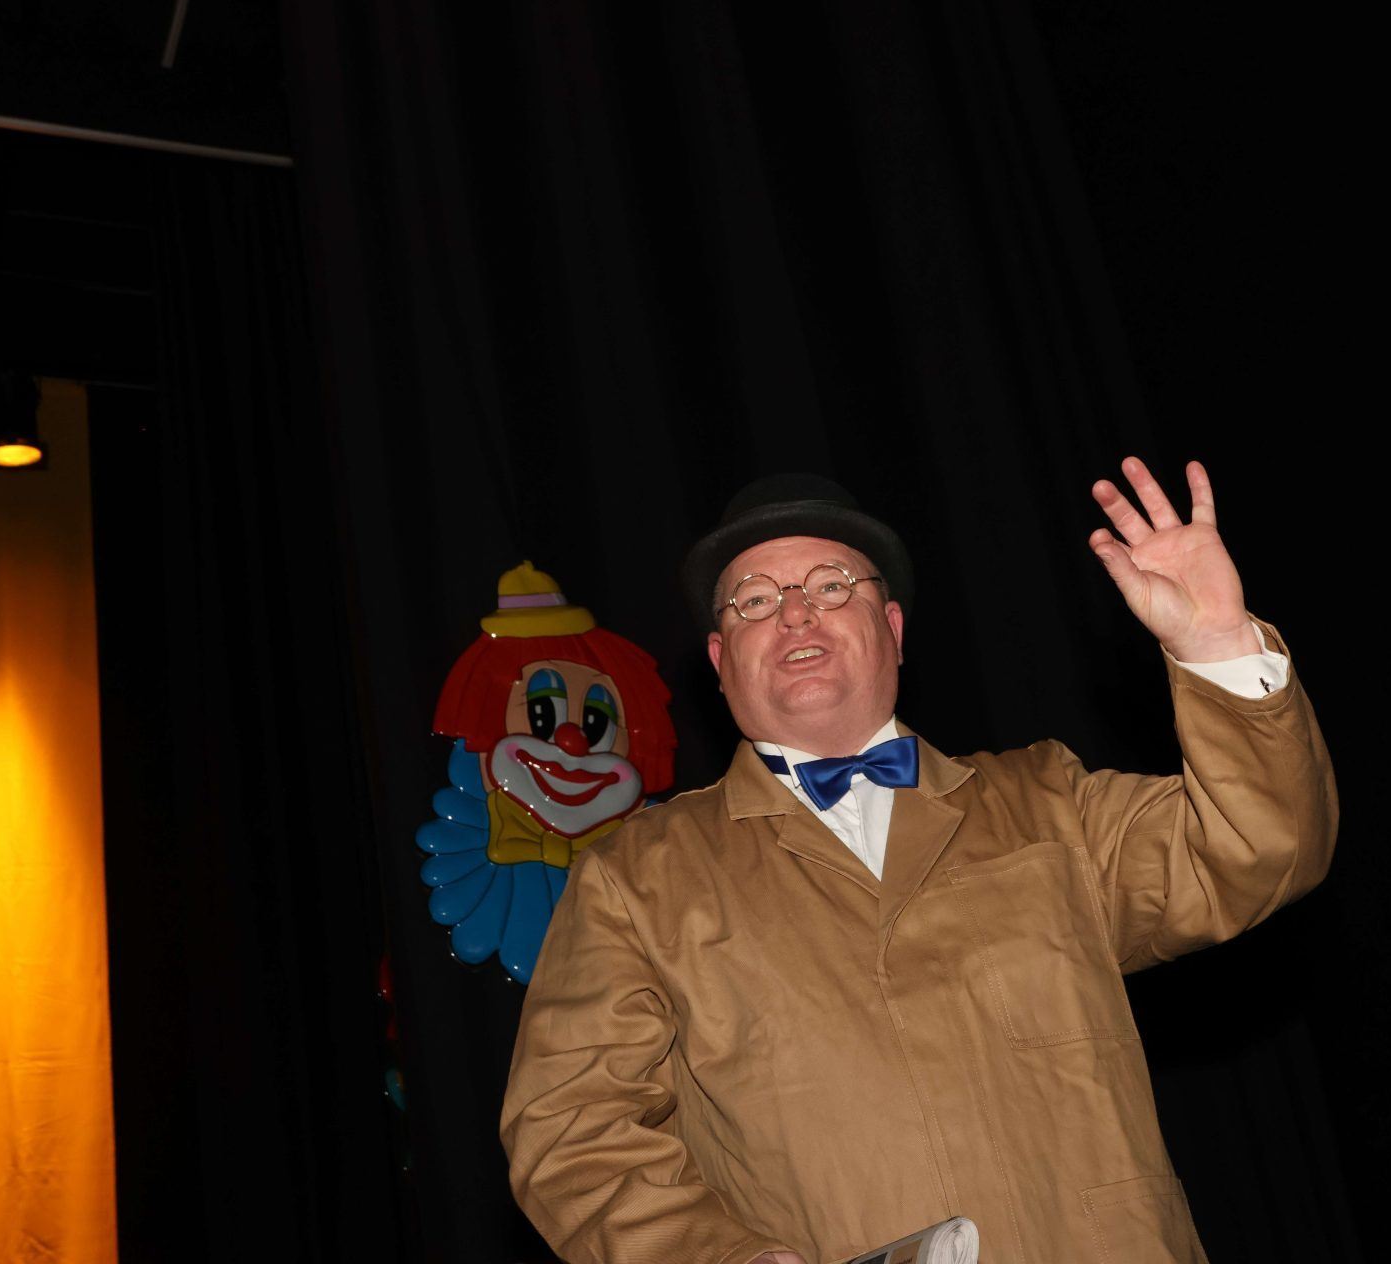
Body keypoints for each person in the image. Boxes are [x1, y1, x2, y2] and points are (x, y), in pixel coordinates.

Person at [500, 459, 1338, 1264]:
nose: (795, 614)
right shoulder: (635, 878)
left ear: (894, 631)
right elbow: (572, 1129)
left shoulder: (1050, 800)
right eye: (754, 600)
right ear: (720, 664)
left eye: (832, 586)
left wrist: (1218, 645)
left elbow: (1262, 846)